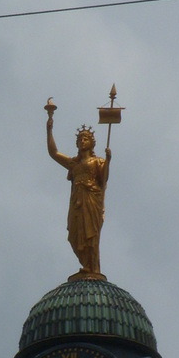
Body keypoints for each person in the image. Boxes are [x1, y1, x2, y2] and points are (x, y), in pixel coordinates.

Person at [46, 115, 111, 276]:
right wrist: (49, 130)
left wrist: (108, 160)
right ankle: (86, 264)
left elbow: (104, 179)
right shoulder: (73, 163)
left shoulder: (98, 162)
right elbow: (53, 153)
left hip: (91, 199)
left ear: (91, 143)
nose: (82, 141)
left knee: (92, 233)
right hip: (77, 201)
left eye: (86, 139)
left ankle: (93, 267)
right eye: (80, 139)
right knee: (76, 234)